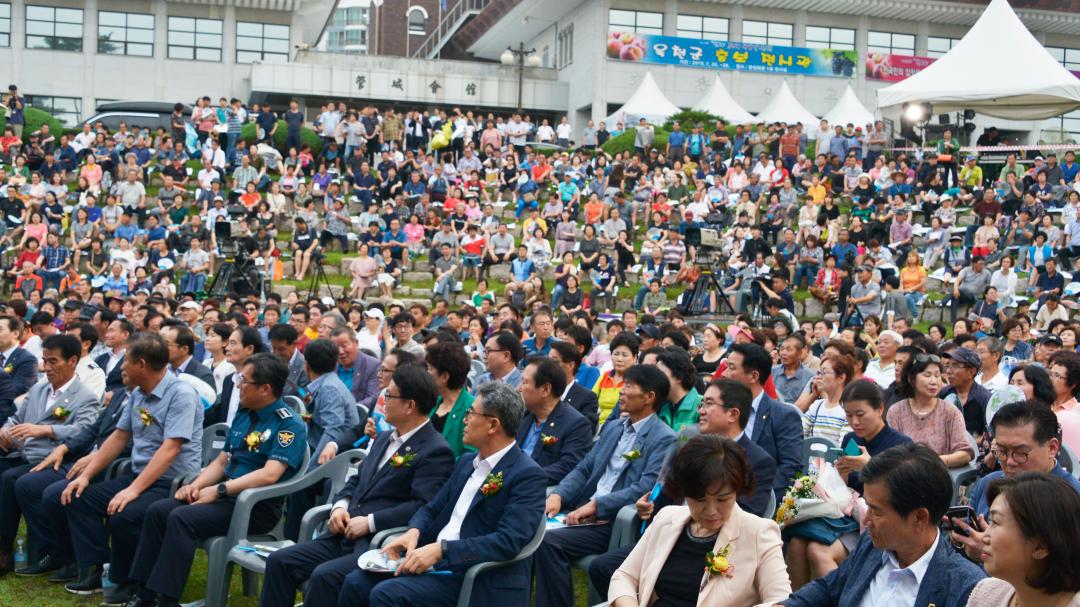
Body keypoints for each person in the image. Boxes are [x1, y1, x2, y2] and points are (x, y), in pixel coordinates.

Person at [257, 365, 455, 607]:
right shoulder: (384, 438)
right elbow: (356, 481)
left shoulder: (435, 450)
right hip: (341, 534)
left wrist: (370, 522)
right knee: (280, 561)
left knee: (325, 577)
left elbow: (421, 506)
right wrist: (339, 507)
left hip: (376, 544)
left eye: (389, 396)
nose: (383, 400)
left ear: (410, 406)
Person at [336, 382, 546, 607]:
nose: (464, 420)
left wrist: (442, 551)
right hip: (436, 563)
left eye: (470, 413)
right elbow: (432, 507)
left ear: (493, 424)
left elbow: (508, 541)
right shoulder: (467, 463)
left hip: (476, 576)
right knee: (355, 583)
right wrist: (414, 532)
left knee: (387, 595)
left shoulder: (527, 474)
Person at [121, 353, 306, 607]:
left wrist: (218, 490)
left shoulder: (288, 424)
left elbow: (270, 474)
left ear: (265, 389)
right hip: (225, 495)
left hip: (254, 506)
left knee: (182, 518)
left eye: (245, 381)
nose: (238, 385)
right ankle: (142, 593)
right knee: (158, 510)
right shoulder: (245, 412)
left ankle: (167, 599)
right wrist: (196, 485)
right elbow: (222, 461)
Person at [60, 334, 203, 600]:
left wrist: (132, 491)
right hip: (139, 475)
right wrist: (87, 476)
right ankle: (104, 571)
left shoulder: (181, 394)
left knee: (126, 512)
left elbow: (170, 449)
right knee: (80, 497)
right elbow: (119, 436)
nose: (122, 366)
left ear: (143, 364)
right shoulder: (138, 392)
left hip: (172, 481)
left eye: (126, 360)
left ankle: (132, 582)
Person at [535, 365, 677, 607]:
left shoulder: (664, 438)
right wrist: (558, 494)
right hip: (581, 510)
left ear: (650, 397)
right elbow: (585, 468)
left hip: (612, 520)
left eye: (629, 386)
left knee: (548, 543)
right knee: (528, 524)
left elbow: (644, 488)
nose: (621, 391)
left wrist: (596, 505)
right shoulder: (613, 427)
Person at [780, 443, 986, 607]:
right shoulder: (872, 545)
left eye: (876, 511)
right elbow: (830, 587)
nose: (866, 519)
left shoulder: (963, 587)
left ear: (919, 518)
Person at [608, 434, 792, 606]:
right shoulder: (667, 519)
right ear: (684, 494)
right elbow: (624, 576)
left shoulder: (758, 533)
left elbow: (779, 601)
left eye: (722, 499)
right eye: (699, 500)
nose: (711, 511)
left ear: (738, 491)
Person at [786, 380, 913, 589]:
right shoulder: (850, 440)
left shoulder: (900, 445)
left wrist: (869, 466)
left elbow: (902, 492)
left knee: (818, 552)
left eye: (860, 414)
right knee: (797, 543)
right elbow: (843, 489)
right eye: (848, 415)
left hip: (875, 520)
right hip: (845, 515)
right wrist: (842, 475)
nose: (854, 421)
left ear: (880, 409)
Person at [0, 335, 99, 574]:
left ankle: (55, 551)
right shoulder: (39, 388)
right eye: (45, 360)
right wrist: (5, 430)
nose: (48, 367)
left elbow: (85, 431)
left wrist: (48, 429)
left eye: (54, 361)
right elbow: (18, 418)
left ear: (73, 361)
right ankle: (4, 546)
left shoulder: (85, 396)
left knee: (19, 481)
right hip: (25, 455)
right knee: (7, 475)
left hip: (61, 460)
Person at [948, 402, 1080, 562]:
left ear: (1052, 448)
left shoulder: (1072, 499)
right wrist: (962, 540)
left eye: (1020, 453)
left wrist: (992, 553)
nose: (1009, 462)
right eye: (1001, 451)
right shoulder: (988, 484)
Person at [282, 339, 360, 541]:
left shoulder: (329, 388)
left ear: (306, 364)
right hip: (320, 450)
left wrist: (310, 471)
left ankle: (293, 540)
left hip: (336, 460)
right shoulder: (324, 383)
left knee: (300, 485)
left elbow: (332, 431)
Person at [964, 473, 1080, 607]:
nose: (984, 537)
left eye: (995, 522)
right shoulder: (986, 593)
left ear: (1040, 547)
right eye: (990, 521)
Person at [723, 343, 804, 501]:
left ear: (753, 376)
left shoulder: (783, 415)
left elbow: (790, 467)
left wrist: (755, 496)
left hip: (759, 500)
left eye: (731, 368)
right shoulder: (720, 410)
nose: (724, 374)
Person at [887, 353, 975, 468]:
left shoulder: (950, 411)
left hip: (938, 476)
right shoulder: (896, 411)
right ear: (911, 379)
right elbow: (890, 452)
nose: (934, 381)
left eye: (937, 375)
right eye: (927, 375)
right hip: (903, 475)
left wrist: (933, 462)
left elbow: (965, 453)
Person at [516, 357, 592, 485]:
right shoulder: (523, 415)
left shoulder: (577, 424)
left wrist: (523, 478)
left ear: (545, 389)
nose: (519, 388)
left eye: (524, 383)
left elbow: (568, 467)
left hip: (536, 488)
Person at [549, 340, 601, 434]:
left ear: (570, 365)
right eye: (547, 360)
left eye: (554, 361)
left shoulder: (587, 398)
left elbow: (586, 431)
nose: (548, 365)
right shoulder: (542, 390)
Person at [940, 347, 993, 438]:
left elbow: (990, 433)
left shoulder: (984, 398)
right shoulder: (943, 394)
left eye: (955, 366)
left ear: (971, 371)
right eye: (948, 366)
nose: (948, 371)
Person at [329, 326, 381, 409]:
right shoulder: (330, 364)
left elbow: (373, 398)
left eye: (344, 345)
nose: (340, 351)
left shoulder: (373, 365)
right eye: (335, 347)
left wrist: (349, 408)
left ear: (356, 343)